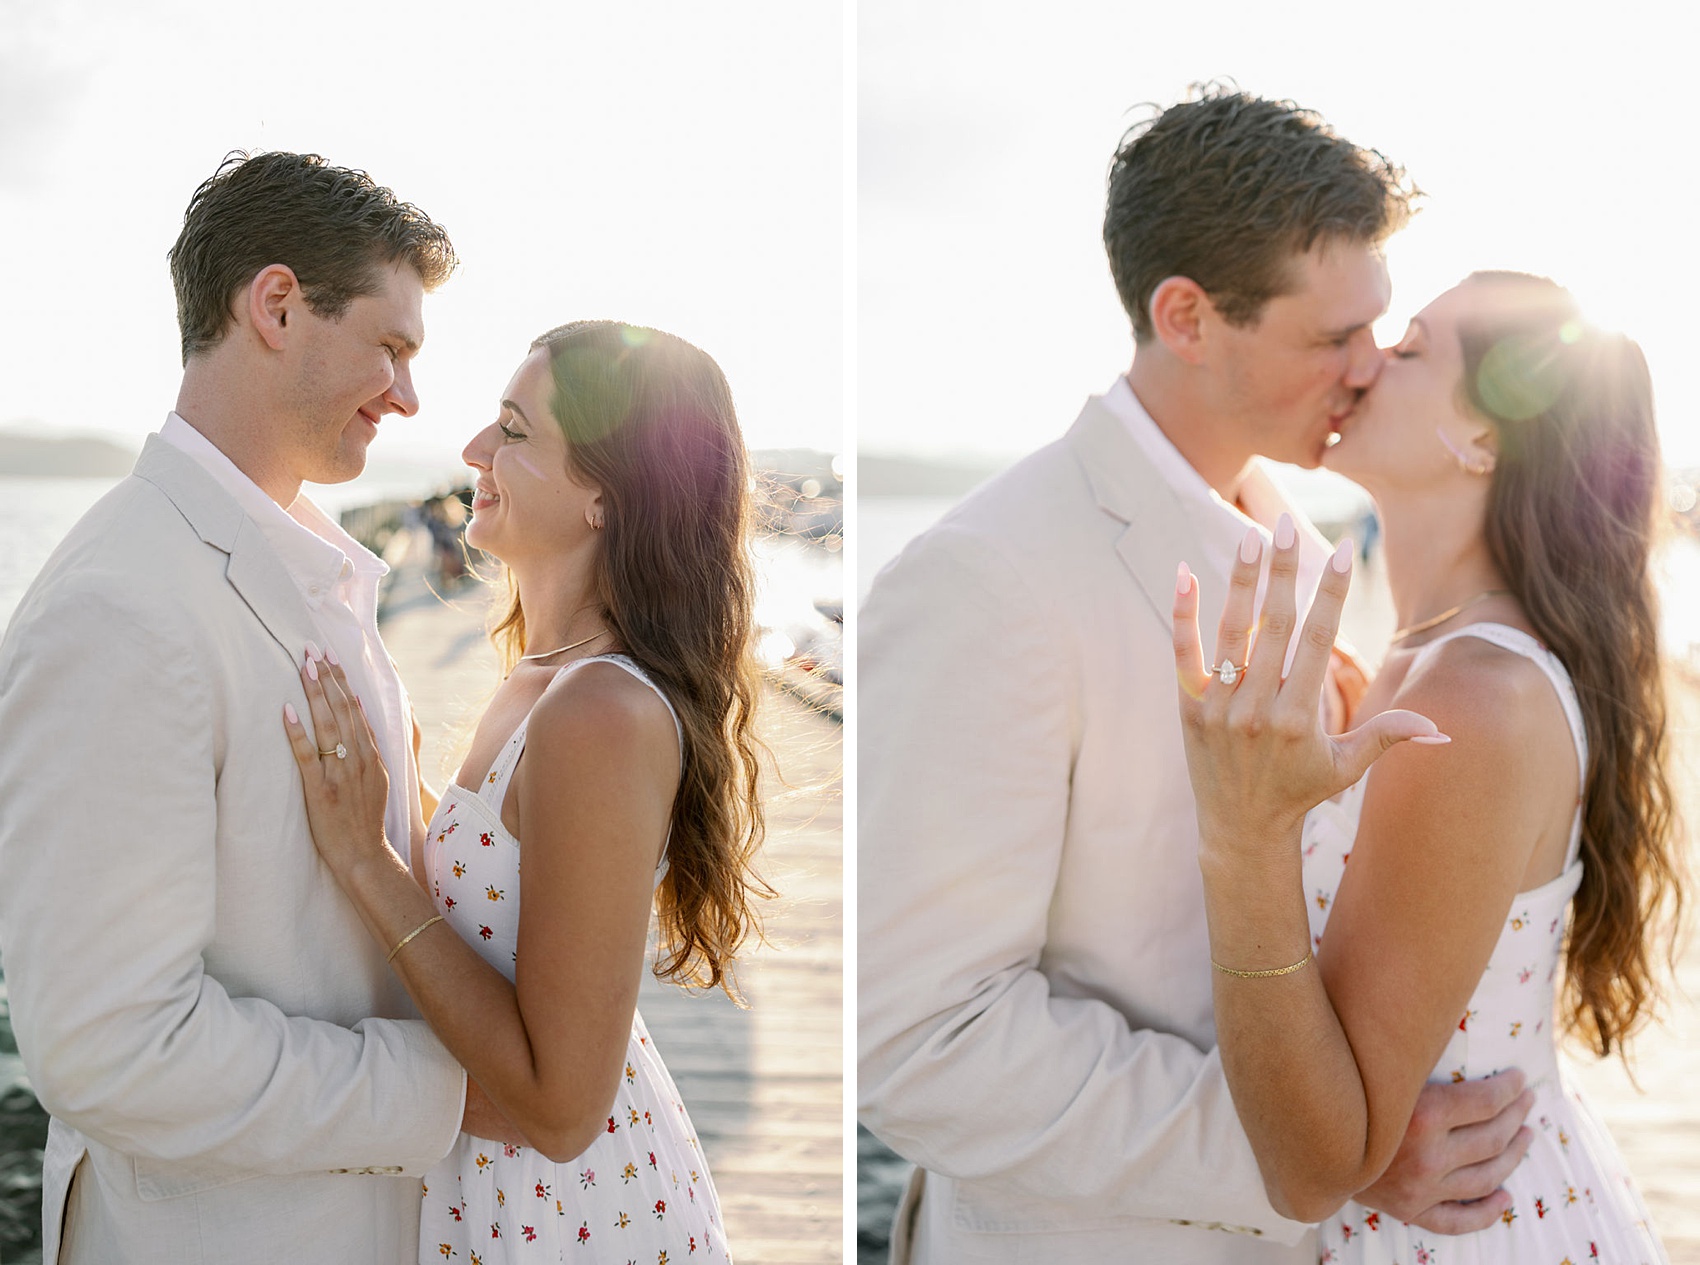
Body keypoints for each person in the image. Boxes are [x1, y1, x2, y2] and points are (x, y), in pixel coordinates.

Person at [858, 88, 1536, 1263]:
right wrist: (1334, 1156)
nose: (1370, 367)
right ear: (1186, 316)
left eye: (1376, 328)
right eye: (1333, 338)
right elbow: (917, 1035)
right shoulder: (987, 575)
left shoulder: (1306, 556)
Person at [0, 151, 500, 1263]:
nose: (408, 395)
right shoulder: (120, 611)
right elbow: (111, 1046)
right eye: (391, 344)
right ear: (275, 304)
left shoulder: (301, 564)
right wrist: (462, 1084)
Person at [1172, 271, 1677, 1262]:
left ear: (1482, 438)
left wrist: (1244, 834)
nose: (1362, 362)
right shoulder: (1424, 655)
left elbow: (1315, 1163)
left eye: (1405, 351)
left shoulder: (1474, 698)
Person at [280, 320, 766, 1263]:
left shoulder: (600, 710)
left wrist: (366, 858)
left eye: (512, 429)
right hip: (513, 1200)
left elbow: (561, 1107)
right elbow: (502, 904)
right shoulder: (541, 678)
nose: (473, 451)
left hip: (569, 1215)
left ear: (604, 496)